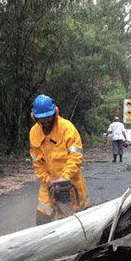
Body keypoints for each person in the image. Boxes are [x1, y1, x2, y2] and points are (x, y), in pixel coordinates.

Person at [29, 94, 90, 225]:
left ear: (55, 113)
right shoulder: (34, 133)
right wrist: (48, 179)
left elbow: (76, 156)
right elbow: (37, 163)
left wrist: (65, 177)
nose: (46, 122)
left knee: (74, 221)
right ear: (34, 117)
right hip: (49, 184)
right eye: (42, 119)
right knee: (42, 218)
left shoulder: (67, 128)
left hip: (70, 182)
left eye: (48, 118)